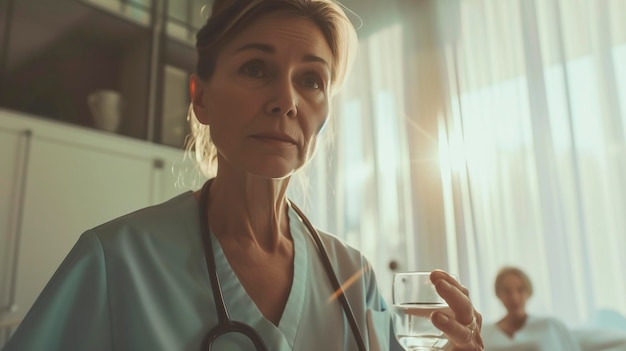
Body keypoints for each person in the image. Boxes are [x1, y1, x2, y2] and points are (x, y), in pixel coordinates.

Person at [4, 0, 484, 350]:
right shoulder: (115, 262)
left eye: (311, 79)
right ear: (201, 98)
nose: (286, 101)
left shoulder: (353, 277)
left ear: (325, 113)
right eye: (256, 68)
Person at [481, 266, 581, 351]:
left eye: (520, 290)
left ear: (529, 292)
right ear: (498, 294)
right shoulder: (484, 333)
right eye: (507, 291)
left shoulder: (551, 326)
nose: (514, 298)